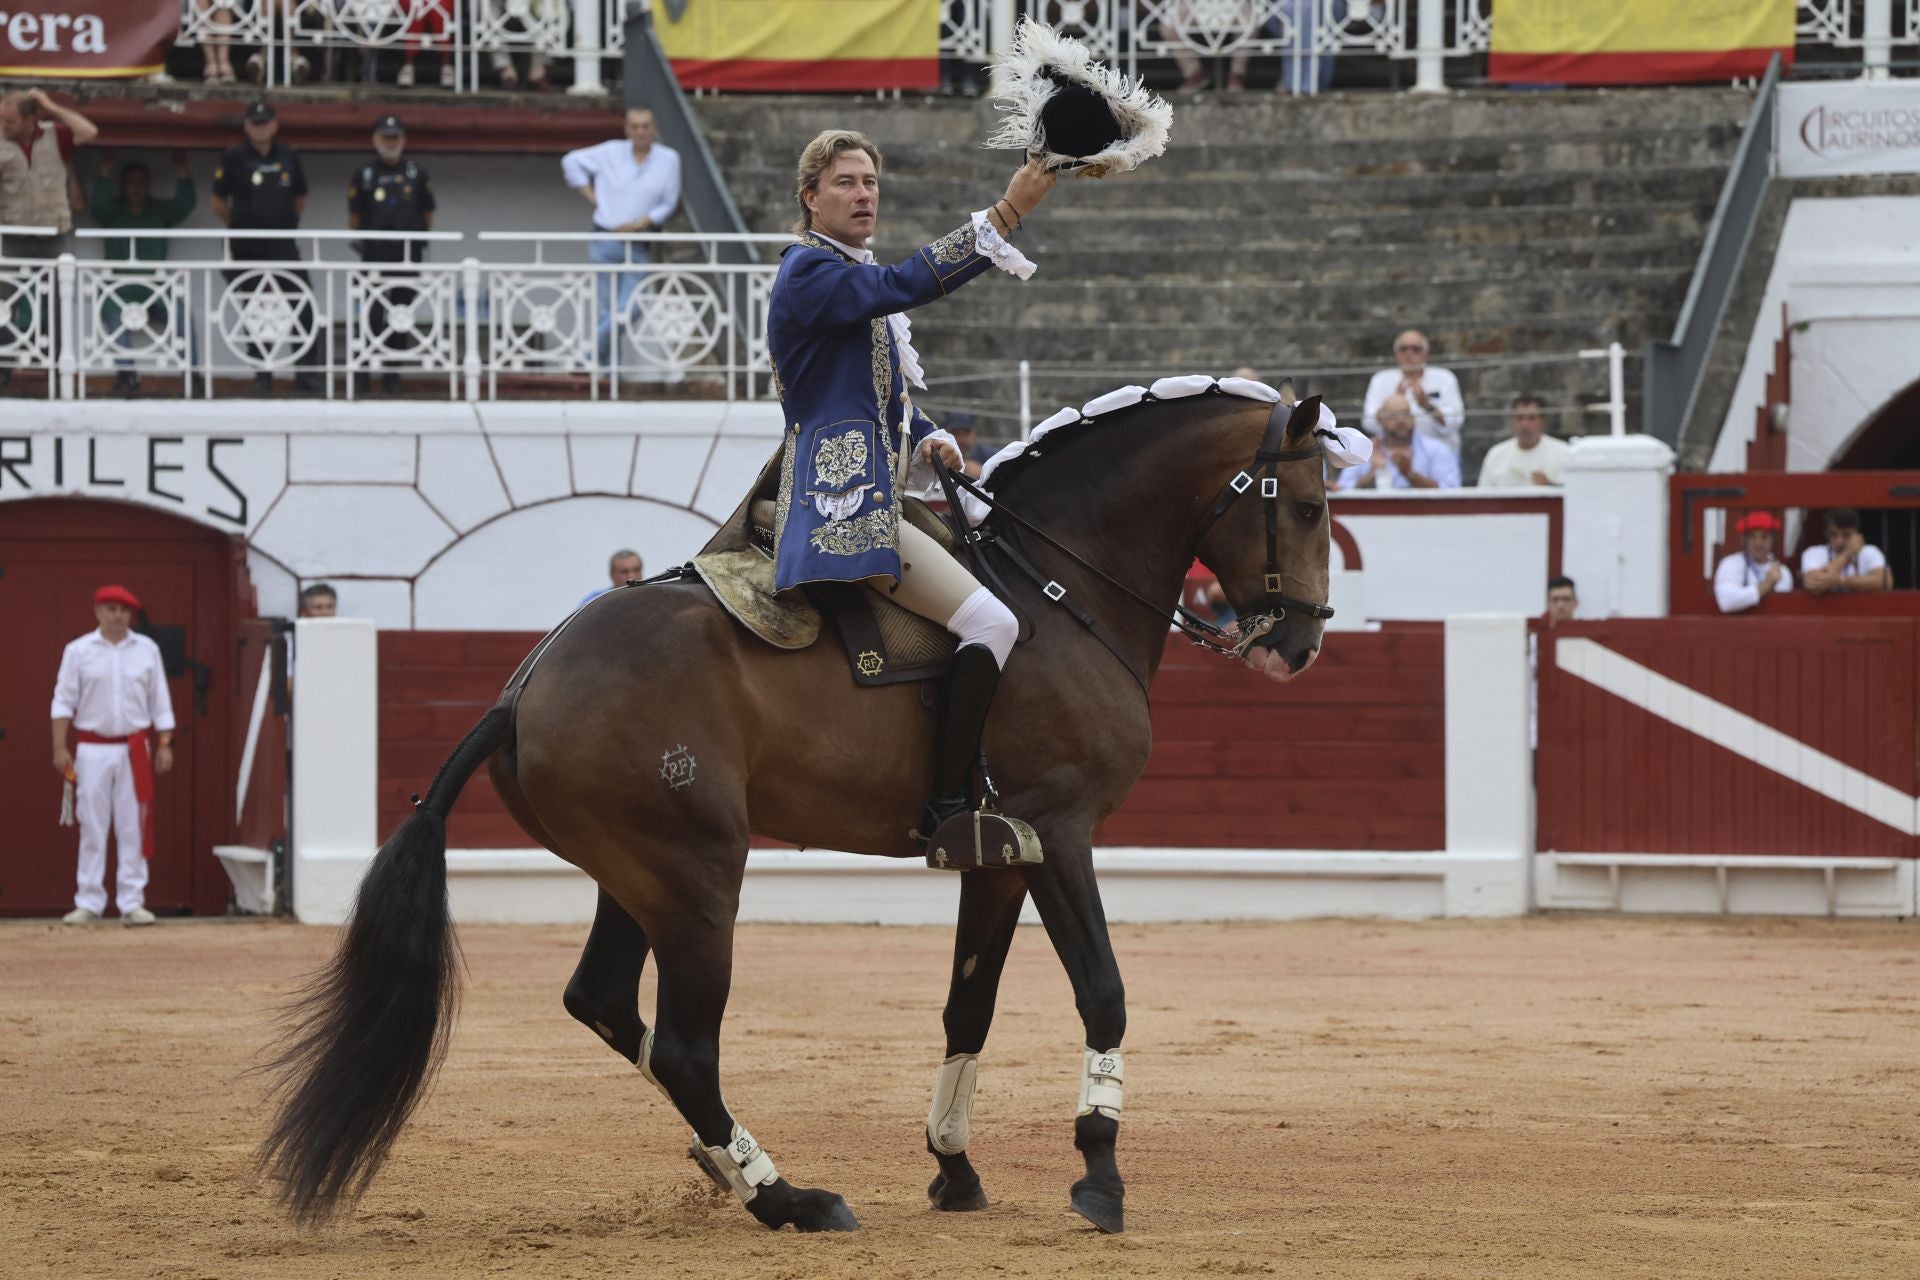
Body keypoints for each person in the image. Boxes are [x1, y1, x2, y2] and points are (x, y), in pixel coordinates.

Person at [767, 128, 1051, 845]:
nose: (863, 194)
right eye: (845, 183)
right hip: (846, 506)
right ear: (810, 199)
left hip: (880, 484)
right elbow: (902, 284)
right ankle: (949, 806)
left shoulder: (836, 271)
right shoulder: (809, 270)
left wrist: (926, 435)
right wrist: (1003, 217)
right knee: (995, 623)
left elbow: (870, 394)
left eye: (870, 183)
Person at [50, 585, 177, 926]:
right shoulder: (78, 651)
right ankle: (89, 899)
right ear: (97, 612)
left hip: (134, 747)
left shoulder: (146, 649)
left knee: (133, 822)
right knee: (92, 823)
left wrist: (165, 743)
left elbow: (159, 701)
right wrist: (60, 747)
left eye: (123, 610)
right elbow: (63, 700)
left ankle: (132, 900)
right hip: (92, 748)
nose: (118, 616)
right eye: (111, 609)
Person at [211, 100, 323, 396]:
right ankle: (263, 374)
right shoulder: (233, 157)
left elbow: (300, 197)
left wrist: (283, 224)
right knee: (255, 312)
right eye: (255, 123)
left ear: (274, 125)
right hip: (246, 247)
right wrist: (242, 225)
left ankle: (307, 374)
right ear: (247, 126)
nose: (260, 128)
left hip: (283, 245)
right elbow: (218, 202)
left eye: (265, 122)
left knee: (303, 306)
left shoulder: (288, 155)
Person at [562, 108, 682, 369]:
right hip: (605, 237)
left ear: (654, 129)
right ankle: (608, 374)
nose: (640, 131)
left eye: (645, 126)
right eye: (635, 126)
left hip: (638, 241)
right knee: (607, 310)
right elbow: (571, 162)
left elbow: (668, 203)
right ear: (627, 130)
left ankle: (588, 355)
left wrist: (638, 223)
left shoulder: (668, 159)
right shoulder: (610, 151)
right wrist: (594, 199)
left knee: (631, 307)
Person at [90, 149, 198, 397]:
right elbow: (97, 207)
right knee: (115, 317)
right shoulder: (113, 211)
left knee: (181, 313)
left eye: (141, 182)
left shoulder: (157, 211)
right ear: (123, 185)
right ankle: (127, 376)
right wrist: (104, 174)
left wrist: (182, 173)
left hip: (154, 287)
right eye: (131, 183)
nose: (136, 188)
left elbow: (184, 205)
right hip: (119, 288)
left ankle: (193, 373)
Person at [347, 116, 436, 396]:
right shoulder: (364, 174)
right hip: (374, 256)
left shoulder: (416, 173)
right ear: (375, 139)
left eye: (395, 137)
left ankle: (392, 375)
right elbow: (354, 217)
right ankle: (363, 374)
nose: (390, 142)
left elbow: (428, 214)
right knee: (372, 316)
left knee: (401, 316)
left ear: (403, 140)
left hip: (407, 256)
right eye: (385, 137)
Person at [0, 90, 96, 258]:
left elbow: (89, 132)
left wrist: (52, 107)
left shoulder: (55, 135)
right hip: (11, 236)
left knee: (60, 282)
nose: (3, 126)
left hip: (54, 236)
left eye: (9, 121)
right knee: (10, 284)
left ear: (29, 120)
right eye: (0, 119)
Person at [1361, 329, 1465, 455]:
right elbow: (1369, 422)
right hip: (1393, 454)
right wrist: (1394, 403)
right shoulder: (1381, 379)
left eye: (1416, 349)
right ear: (1396, 354)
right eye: (1404, 349)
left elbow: (1456, 421)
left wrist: (1428, 406)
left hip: (1439, 454)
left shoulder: (1444, 378)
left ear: (1426, 353)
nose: (1409, 354)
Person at [1335, 392, 1460, 490]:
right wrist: (1372, 474)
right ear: (1380, 421)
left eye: (1406, 414)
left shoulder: (1437, 449)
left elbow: (1451, 493)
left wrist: (1410, 475)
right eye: (1393, 415)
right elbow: (1343, 490)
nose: (1401, 420)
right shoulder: (1362, 451)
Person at [1478, 395, 1569, 488]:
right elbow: (1482, 497)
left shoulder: (1563, 452)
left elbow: (1574, 494)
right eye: (1520, 418)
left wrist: (1548, 485)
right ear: (1512, 420)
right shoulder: (1496, 455)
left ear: (1542, 421)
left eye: (1531, 418)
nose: (1525, 425)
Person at [1714, 511, 1793, 613]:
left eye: (1764, 537)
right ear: (1743, 540)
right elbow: (1726, 602)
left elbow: (1781, 609)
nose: (1758, 543)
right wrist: (1766, 585)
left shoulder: (1782, 571)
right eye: (1752, 537)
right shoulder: (1731, 564)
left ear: (1772, 540)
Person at [1801, 508, 1891, 595]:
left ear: (1856, 534)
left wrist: (1841, 581)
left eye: (1846, 535)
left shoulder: (1870, 551)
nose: (1839, 541)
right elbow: (1812, 584)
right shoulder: (1814, 553)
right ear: (1826, 534)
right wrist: (1846, 555)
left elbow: (1884, 582)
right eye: (1833, 534)